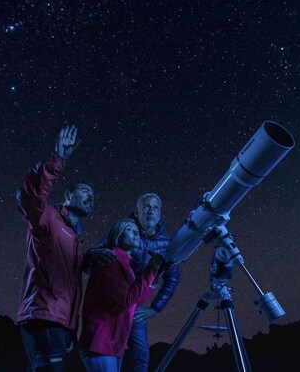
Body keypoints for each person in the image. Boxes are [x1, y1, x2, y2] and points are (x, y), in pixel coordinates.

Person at [16, 125, 93, 371]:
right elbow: (28, 197)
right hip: (43, 317)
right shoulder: (48, 218)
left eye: (93, 195)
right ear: (68, 197)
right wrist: (58, 158)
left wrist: (72, 327)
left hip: (60, 323)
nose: (91, 197)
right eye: (84, 192)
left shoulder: (76, 240)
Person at [86, 193, 181, 372]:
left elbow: (172, 278)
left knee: (141, 355)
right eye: (146, 206)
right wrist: (91, 256)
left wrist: (155, 308)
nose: (151, 211)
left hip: (137, 305)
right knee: (109, 349)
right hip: (114, 300)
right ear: (136, 212)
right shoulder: (122, 232)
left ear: (160, 213)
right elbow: (99, 254)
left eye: (155, 208)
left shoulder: (167, 244)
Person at [78, 218, 165, 372]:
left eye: (137, 231)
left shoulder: (126, 267)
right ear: (117, 236)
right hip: (100, 342)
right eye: (129, 229)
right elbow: (127, 299)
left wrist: (152, 283)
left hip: (112, 343)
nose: (135, 233)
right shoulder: (110, 259)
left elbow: (133, 302)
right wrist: (150, 271)